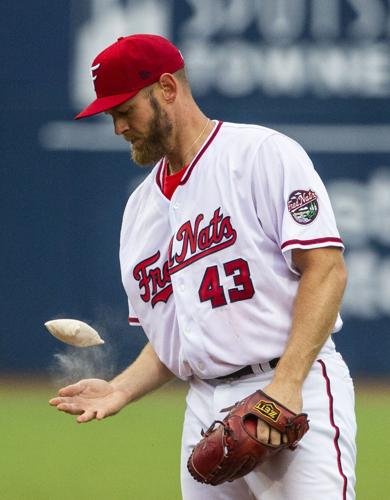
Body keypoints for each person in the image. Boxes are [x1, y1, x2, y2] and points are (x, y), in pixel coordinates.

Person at [49, 34, 356, 499]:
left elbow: (326, 270)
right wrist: (121, 389)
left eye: (125, 110)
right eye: (111, 115)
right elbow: (176, 338)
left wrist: (286, 387)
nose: (117, 128)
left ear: (167, 89)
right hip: (205, 408)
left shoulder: (261, 155)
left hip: (293, 389)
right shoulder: (139, 212)